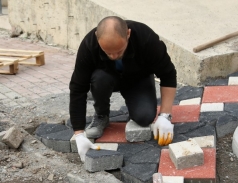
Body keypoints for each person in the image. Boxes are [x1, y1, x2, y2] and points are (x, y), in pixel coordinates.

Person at [68, 16, 177, 159]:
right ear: (97, 37)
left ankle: (136, 102)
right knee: (100, 79)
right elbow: (77, 88)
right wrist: (79, 134)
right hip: (107, 78)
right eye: (108, 52)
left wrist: (165, 115)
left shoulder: (145, 38)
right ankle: (102, 114)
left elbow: (168, 74)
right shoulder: (89, 44)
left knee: (144, 117)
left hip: (138, 78)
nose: (113, 56)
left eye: (119, 51)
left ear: (128, 34)